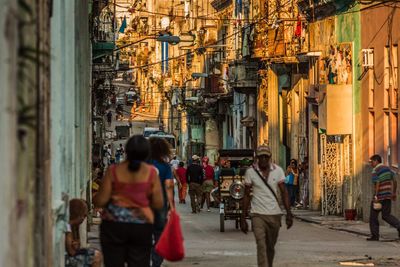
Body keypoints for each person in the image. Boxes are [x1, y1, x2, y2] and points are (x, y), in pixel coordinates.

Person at [93, 135, 164, 267]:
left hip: (114, 226)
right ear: (147, 153)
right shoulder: (151, 173)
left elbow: (100, 201)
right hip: (141, 226)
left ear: (126, 151)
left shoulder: (113, 171)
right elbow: (158, 203)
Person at [241, 145, 293, 267]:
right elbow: (247, 195)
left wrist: (289, 214)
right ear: (257, 158)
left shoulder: (278, 171)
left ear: (269, 157)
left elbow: (284, 192)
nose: (263, 159)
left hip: (274, 215)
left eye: (266, 156)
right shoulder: (251, 172)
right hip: (257, 214)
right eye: (261, 157)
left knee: (270, 247)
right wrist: (243, 217)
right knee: (261, 244)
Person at [148, 137, 175, 267]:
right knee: (159, 236)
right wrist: (171, 205)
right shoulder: (165, 167)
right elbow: (169, 186)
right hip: (160, 206)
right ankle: (156, 263)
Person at [367, 154, 400, 241]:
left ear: (376, 161)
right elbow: (395, 180)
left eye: (372, 162)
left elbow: (377, 182)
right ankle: (399, 225)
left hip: (379, 196)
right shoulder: (388, 169)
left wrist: (376, 195)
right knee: (386, 215)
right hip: (388, 196)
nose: (371, 164)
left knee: (373, 217)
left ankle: (375, 236)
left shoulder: (375, 170)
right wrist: (393, 193)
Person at [65, 199, 102, 267]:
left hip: (73, 255)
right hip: (68, 259)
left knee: (96, 254)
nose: (83, 219)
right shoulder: (68, 226)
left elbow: (76, 247)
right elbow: (71, 252)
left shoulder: (74, 227)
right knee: (95, 257)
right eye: (83, 215)